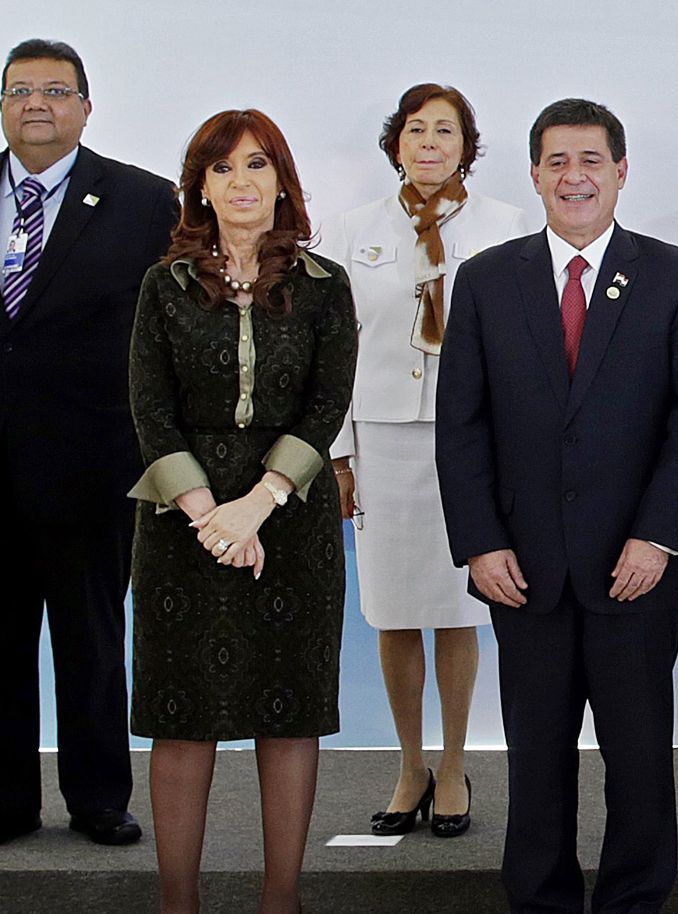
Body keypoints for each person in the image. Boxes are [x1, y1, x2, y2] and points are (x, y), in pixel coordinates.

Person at [435, 98, 678, 914]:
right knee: (536, 760)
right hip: (523, 571)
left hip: (637, 569)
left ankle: (635, 900)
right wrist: (481, 545)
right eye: (557, 162)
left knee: (638, 760)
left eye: (591, 160)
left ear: (622, 172)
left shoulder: (674, 276)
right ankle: (542, 901)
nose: (575, 176)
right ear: (533, 176)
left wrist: (658, 539)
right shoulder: (488, 280)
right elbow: (462, 424)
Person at [127, 109, 355, 914]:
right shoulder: (165, 284)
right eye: (221, 169)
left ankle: (280, 899)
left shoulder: (326, 284)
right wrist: (207, 516)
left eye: (256, 165)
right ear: (200, 187)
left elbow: (326, 408)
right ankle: (176, 903)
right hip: (181, 523)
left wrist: (257, 506)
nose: (240, 183)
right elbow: (151, 412)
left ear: (281, 179)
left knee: (287, 711)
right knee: (180, 716)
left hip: (289, 515)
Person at [320, 82, 527, 839]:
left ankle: (452, 765)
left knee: (457, 607)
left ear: (467, 145)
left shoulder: (510, 227)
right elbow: (331, 348)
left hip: (473, 442)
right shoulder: (350, 231)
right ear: (396, 143)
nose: (430, 143)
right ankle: (408, 763)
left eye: (446, 131)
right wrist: (338, 456)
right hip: (382, 442)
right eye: (416, 130)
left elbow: (524, 349)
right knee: (396, 612)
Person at [0, 37, 174, 848]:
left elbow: (167, 331)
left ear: (85, 106)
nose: (37, 103)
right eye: (20, 89)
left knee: (93, 637)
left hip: (94, 463)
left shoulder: (142, 201)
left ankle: (99, 795)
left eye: (56, 91)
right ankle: (6, 801)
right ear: (3, 105)